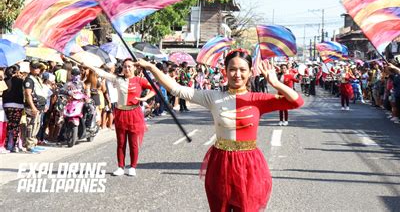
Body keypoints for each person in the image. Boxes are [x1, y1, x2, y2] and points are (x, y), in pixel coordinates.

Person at [137, 49, 304, 211]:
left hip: (249, 165)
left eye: (242, 70)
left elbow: (297, 102)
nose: (237, 74)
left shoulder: (258, 99)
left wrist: (275, 83)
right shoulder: (213, 97)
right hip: (220, 162)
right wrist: (152, 69)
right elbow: (176, 89)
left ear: (250, 72)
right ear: (225, 71)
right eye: (232, 69)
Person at [85, 59, 155, 177]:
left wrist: (145, 98)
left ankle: (132, 167)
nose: (127, 69)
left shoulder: (139, 80)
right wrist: (87, 64)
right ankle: (120, 166)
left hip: (134, 114)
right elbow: (102, 73)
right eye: (125, 67)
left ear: (135, 68)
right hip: (121, 113)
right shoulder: (118, 79)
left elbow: (154, 88)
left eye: (129, 67)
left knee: (133, 143)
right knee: (121, 143)